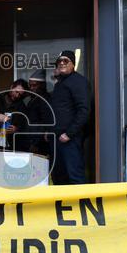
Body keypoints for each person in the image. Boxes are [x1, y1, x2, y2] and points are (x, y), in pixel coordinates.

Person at [50, 51, 91, 184]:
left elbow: (84, 110)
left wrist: (69, 133)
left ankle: (81, 199)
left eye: (66, 60)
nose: (62, 63)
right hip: (57, 137)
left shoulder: (78, 81)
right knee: (58, 177)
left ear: (73, 64)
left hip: (70, 139)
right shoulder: (60, 83)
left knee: (75, 176)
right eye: (59, 61)